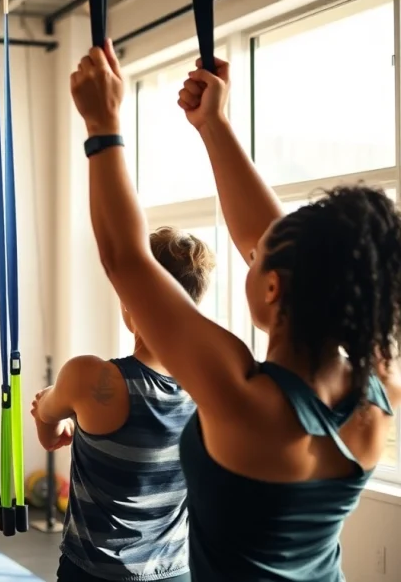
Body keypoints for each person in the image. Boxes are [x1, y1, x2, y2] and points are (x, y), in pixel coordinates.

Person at [70, 40, 401, 582]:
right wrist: (214, 125)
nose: (249, 251)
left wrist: (101, 125)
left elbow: (126, 259)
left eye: (256, 259)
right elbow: (285, 249)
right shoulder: (379, 389)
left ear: (272, 288)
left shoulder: (242, 397)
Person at [31, 226, 214, 582]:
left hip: (92, 573)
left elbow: (49, 434)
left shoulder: (87, 376)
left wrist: (55, 407)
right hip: (175, 572)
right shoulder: (212, 387)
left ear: (131, 298)